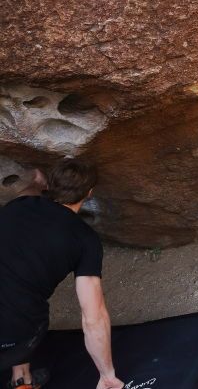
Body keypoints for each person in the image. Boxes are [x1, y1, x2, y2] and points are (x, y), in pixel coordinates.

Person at [0, 160, 123, 389]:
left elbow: (30, 192)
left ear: (49, 184)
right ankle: (22, 383)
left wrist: (37, 180)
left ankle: (20, 377)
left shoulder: (17, 206)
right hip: (14, 330)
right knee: (22, 317)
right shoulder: (85, 240)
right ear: (89, 192)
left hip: (10, 321)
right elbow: (93, 317)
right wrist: (107, 374)